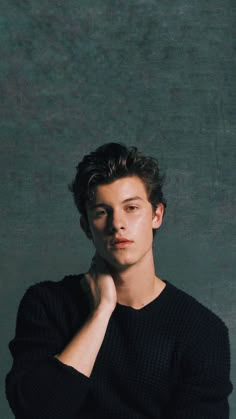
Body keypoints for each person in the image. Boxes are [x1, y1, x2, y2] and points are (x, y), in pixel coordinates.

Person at [6, 143, 232, 419]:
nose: (117, 224)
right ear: (86, 226)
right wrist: (101, 313)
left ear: (157, 215)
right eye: (102, 212)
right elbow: (37, 411)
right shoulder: (46, 305)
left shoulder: (202, 331)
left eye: (132, 208)